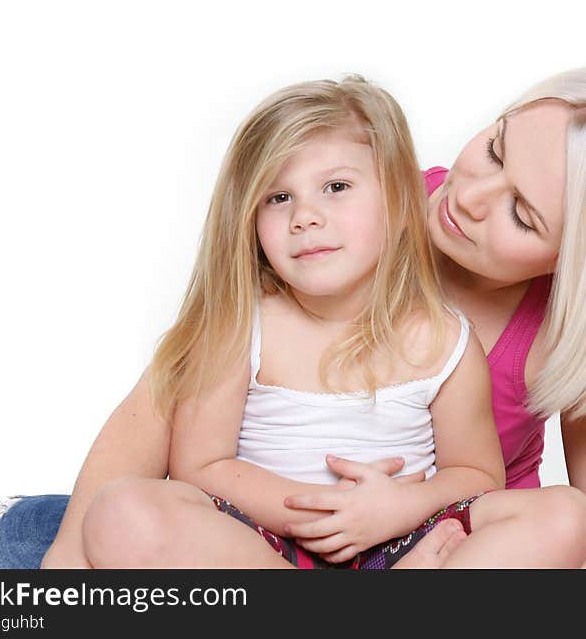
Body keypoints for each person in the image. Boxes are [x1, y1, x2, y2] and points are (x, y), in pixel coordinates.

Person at [0, 62, 586, 569]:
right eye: (494, 147)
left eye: (522, 215)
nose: (467, 196)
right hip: (256, 534)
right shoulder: (359, 207)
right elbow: (160, 409)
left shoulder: (575, 328)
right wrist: (66, 567)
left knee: (582, 527)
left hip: (438, 553)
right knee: (32, 538)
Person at [77, 75, 506, 568]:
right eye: (278, 198)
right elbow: (201, 466)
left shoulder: (444, 339)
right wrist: (322, 513)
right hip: (264, 548)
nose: (304, 216)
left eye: (336, 187)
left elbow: (477, 474)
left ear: (402, 203)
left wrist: (399, 507)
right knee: (120, 511)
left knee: (562, 514)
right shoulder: (241, 326)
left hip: (402, 545)